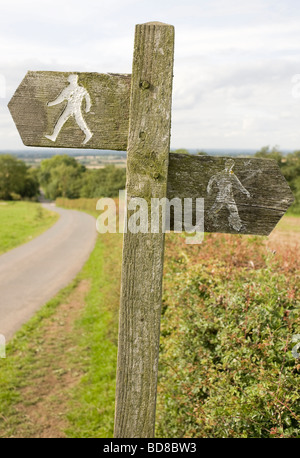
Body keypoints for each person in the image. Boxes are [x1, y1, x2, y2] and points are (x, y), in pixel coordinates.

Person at [45, 74, 93, 144]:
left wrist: (50, 104)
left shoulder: (70, 89)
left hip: (73, 108)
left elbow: (60, 99)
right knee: (64, 121)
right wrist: (87, 107)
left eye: (71, 79)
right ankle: (54, 136)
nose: (70, 80)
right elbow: (87, 98)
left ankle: (88, 134)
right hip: (71, 108)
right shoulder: (80, 89)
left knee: (68, 121)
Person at [207, 158, 250, 231]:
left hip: (227, 198)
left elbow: (239, 185)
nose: (230, 167)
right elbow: (212, 179)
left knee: (234, 212)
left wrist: (246, 192)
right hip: (223, 197)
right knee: (213, 211)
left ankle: (237, 227)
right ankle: (212, 224)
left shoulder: (230, 175)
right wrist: (209, 187)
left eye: (231, 166)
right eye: (229, 165)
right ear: (226, 165)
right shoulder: (222, 174)